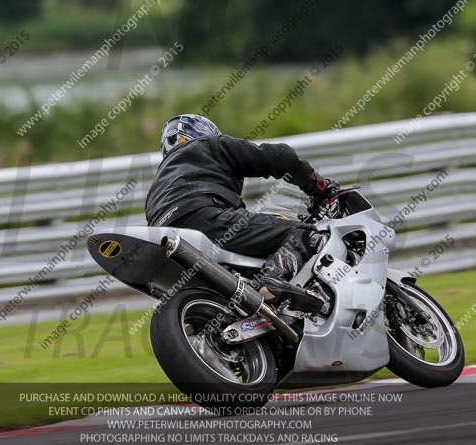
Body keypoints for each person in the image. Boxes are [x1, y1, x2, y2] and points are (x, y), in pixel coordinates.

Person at [145, 114, 341, 313]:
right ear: (202, 131)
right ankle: (273, 280)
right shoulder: (210, 145)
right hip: (207, 220)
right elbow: (279, 156)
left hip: (164, 244)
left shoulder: (154, 189)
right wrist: (321, 188)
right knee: (302, 234)